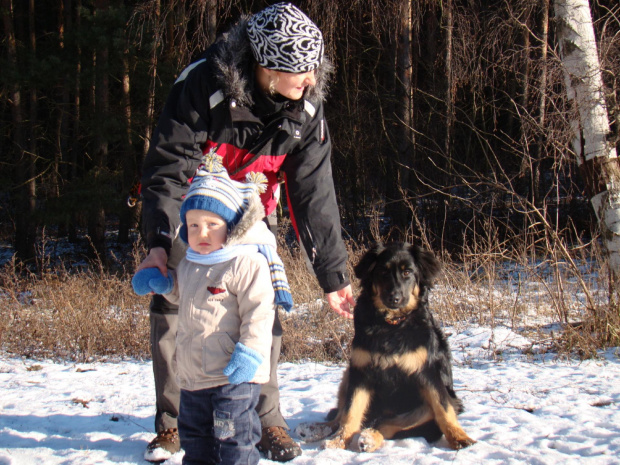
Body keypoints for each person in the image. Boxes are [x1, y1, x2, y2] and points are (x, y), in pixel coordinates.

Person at [137, 2, 355, 462]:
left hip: (256, 206)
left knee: (260, 305)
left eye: (313, 69)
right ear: (268, 67)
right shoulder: (202, 84)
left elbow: (315, 191)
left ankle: (266, 419)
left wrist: (333, 277)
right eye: (301, 70)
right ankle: (172, 422)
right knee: (177, 302)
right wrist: (159, 243)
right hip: (196, 206)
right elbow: (169, 168)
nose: (311, 80)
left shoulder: (306, 107)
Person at [133, 160, 291, 465]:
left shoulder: (246, 262)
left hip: (233, 377)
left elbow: (260, 312)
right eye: (193, 225)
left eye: (211, 224)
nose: (201, 232)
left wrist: (250, 353)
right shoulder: (192, 261)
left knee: (234, 440)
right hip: (193, 378)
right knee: (195, 439)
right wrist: (163, 283)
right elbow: (183, 294)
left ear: (231, 225)